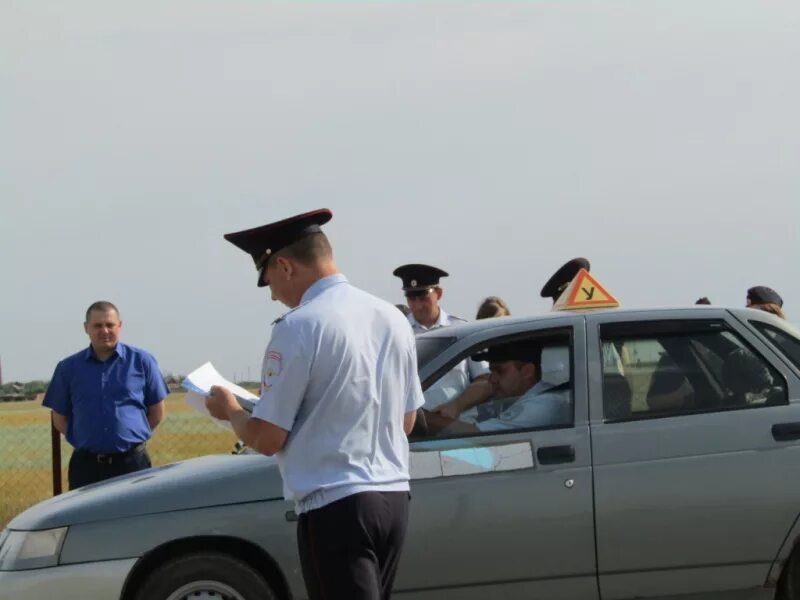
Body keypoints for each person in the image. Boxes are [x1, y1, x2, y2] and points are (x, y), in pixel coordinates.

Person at [208, 209, 424, 600]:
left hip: (336, 504)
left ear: (285, 266)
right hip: (393, 497)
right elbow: (406, 421)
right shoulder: (392, 317)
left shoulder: (298, 326)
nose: (273, 293)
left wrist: (231, 411)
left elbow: (268, 438)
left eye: (268, 279)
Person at [42, 301, 168, 489]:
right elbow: (59, 418)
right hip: (86, 467)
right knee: (85, 518)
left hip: (132, 464)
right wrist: (83, 441)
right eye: (97, 325)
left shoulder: (142, 362)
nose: (105, 331)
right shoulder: (67, 368)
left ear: (120, 326)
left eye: (110, 325)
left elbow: (157, 412)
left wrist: (130, 439)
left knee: (134, 518)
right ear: (86, 328)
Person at [392, 264, 491, 418]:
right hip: (414, 427)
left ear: (438, 293)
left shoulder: (462, 330)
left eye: (423, 298)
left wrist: (456, 405)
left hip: (456, 425)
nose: (417, 306)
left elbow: (485, 380)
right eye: (412, 298)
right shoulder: (398, 333)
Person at [425, 341, 571, 435]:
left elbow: (474, 434)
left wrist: (422, 419)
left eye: (500, 371)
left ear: (527, 371)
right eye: (491, 371)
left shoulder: (543, 405)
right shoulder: (523, 396)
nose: (492, 379)